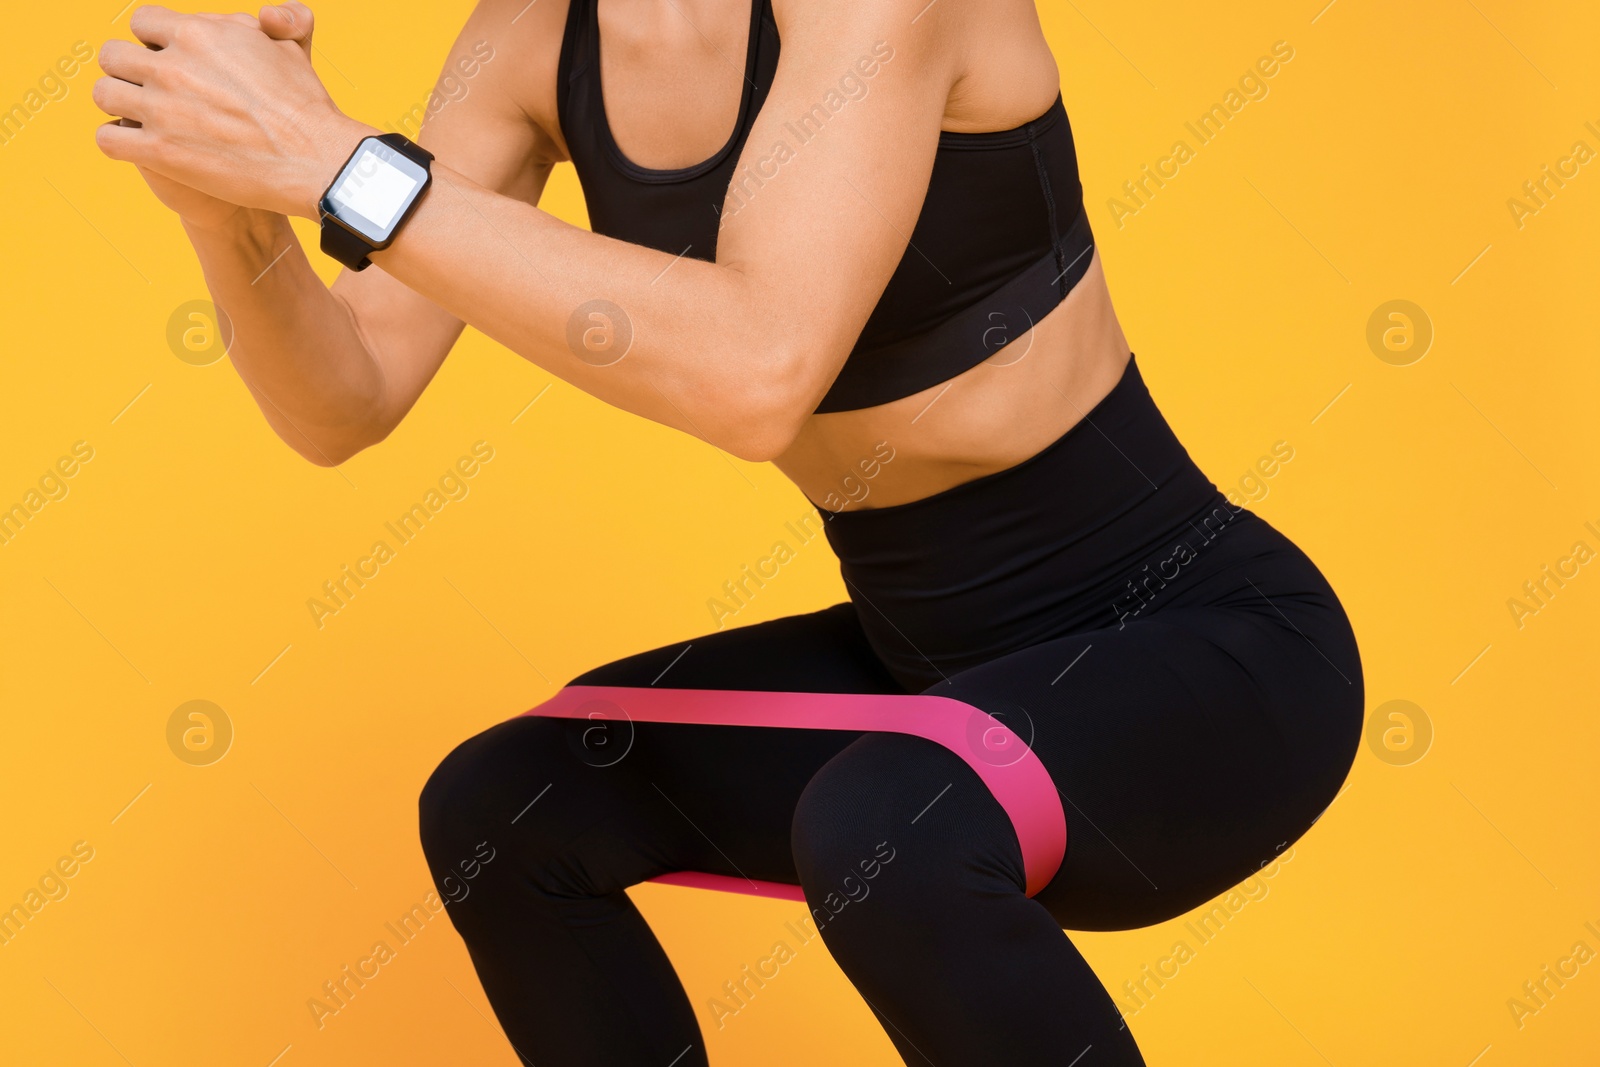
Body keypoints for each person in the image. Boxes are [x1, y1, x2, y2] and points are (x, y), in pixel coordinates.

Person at [93, 2, 1364, 1063]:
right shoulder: (528, 43)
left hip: (1206, 652)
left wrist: (331, 161)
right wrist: (231, 206)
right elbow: (345, 397)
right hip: (929, 679)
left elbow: (757, 370)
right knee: (507, 803)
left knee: (887, 822)